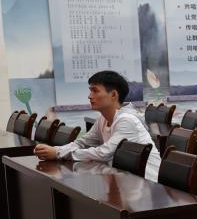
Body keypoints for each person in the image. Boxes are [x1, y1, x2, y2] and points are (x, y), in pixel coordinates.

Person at [32, 71, 161, 182]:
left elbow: (104, 153)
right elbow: (82, 143)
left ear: (114, 95)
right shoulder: (103, 120)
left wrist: (58, 153)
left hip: (148, 184)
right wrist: (55, 150)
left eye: (95, 91)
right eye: (90, 91)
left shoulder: (127, 120)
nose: (89, 96)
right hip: (125, 178)